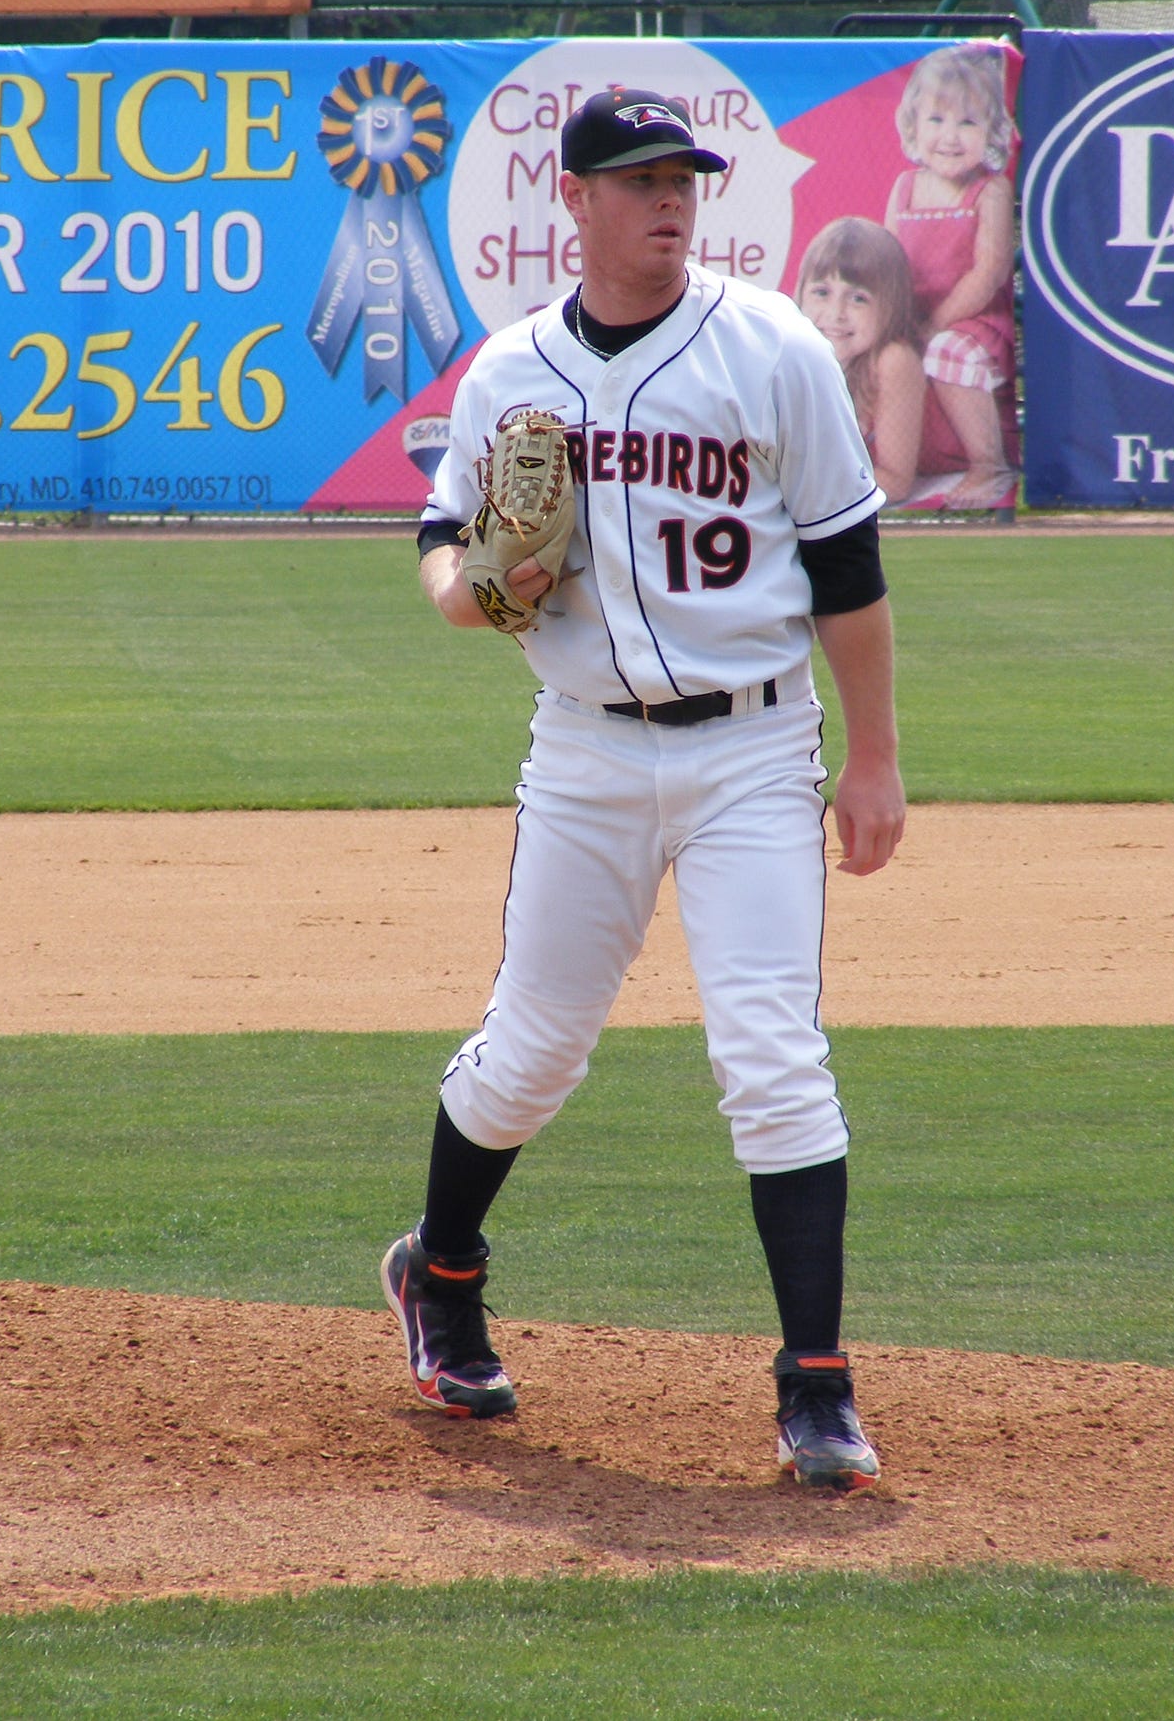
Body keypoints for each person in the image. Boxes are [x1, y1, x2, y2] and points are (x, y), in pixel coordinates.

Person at [382, 85, 905, 1491]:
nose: (669, 198)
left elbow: (849, 571)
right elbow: (442, 546)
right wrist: (476, 590)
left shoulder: (770, 348)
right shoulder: (509, 371)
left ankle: (816, 1385)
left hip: (753, 746)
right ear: (577, 198)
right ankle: (440, 1275)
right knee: (532, 1047)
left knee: (772, 1057)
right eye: (637, 176)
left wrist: (873, 759)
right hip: (589, 748)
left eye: (683, 175)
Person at [885, 44, 1020, 511]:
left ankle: (989, 462)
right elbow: (889, 266)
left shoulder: (991, 190)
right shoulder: (904, 188)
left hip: (975, 325)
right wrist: (896, 325)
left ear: (992, 131)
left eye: (968, 123)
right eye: (937, 120)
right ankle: (891, 462)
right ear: (914, 125)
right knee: (878, 355)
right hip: (916, 318)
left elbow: (989, 272)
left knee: (947, 351)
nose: (950, 136)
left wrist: (937, 322)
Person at [796, 216, 928, 506]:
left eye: (858, 298)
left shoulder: (893, 360)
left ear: (890, 304)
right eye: (821, 292)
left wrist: (799, 484)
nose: (836, 313)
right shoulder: (792, 354)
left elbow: (896, 482)